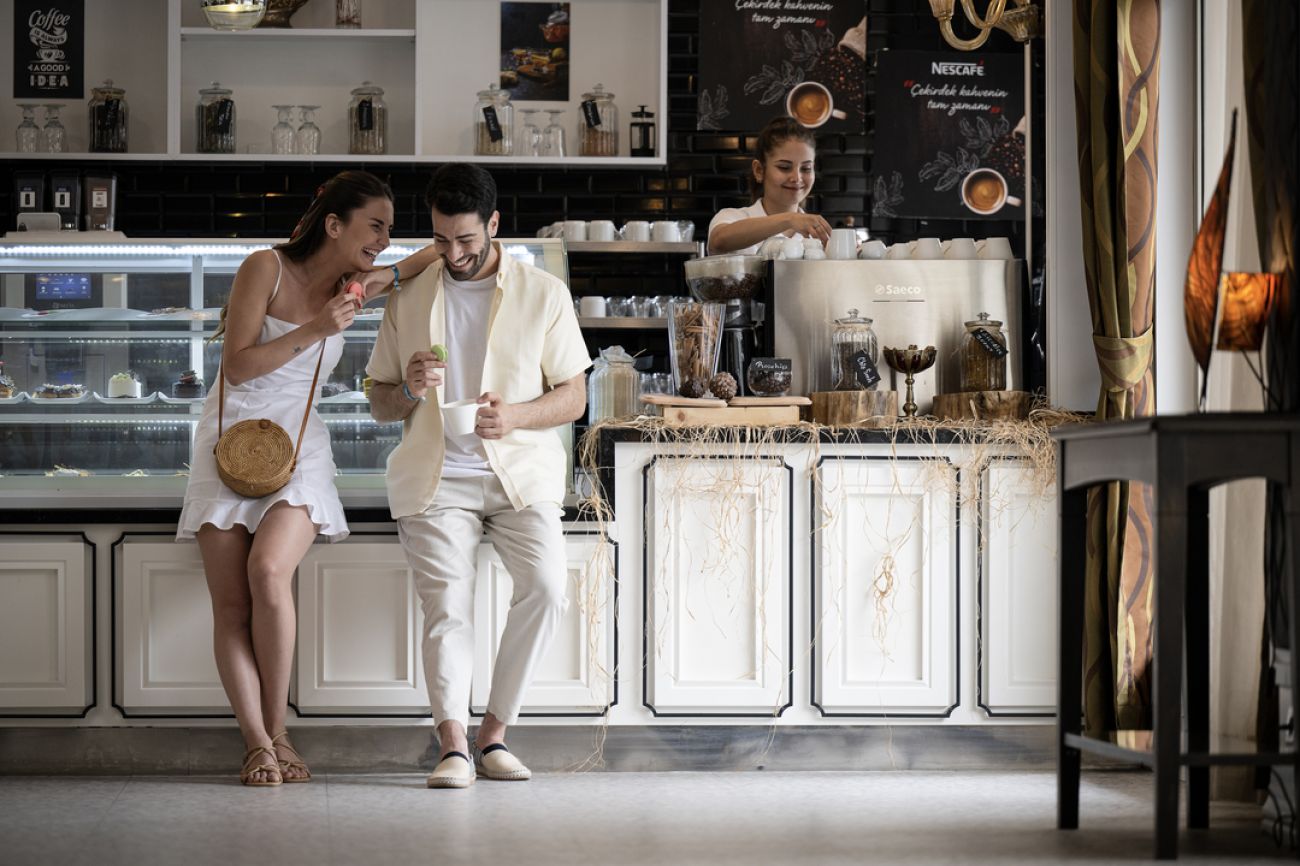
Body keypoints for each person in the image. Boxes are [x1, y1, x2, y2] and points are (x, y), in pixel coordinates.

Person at [365, 163, 590, 789]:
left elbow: (573, 396)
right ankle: (453, 747)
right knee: (448, 606)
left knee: (547, 588)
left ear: (494, 224)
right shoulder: (409, 295)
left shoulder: (543, 292)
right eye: (441, 239)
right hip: (434, 478)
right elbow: (379, 400)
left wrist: (515, 415)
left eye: (466, 239)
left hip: (520, 475)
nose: (454, 253)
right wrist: (410, 390)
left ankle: (494, 734)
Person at [177, 171, 394, 787]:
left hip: (300, 444)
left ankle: (278, 731)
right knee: (231, 604)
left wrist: (473, 242)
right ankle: (256, 743)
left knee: (268, 571)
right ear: (334, 224)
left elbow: (418, 263)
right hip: (230, 438)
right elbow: (237, 366)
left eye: (390, 228)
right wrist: (319, 328)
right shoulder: (264, 267)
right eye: (375, 225)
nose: (385, 239)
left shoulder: (356, 285)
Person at [706, 116, 833, 255]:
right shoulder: (732, 217)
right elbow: (719, 241)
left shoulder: (818, 235)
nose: (797, 178)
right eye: (784, 167)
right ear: (759, 170)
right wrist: (789, 219)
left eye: (806, 168)